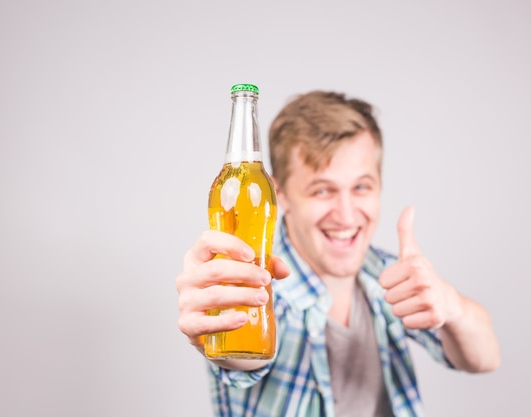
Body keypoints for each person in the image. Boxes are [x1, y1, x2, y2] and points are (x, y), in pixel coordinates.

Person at [175, 90, 500, 416]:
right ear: (279, 194)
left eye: (361, 187)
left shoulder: (386, 272)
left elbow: (486, 358)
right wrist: (214, 326)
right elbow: (241, 359)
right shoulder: (253, 282)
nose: (346, 215)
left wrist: (450, 304)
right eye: (322, 190)